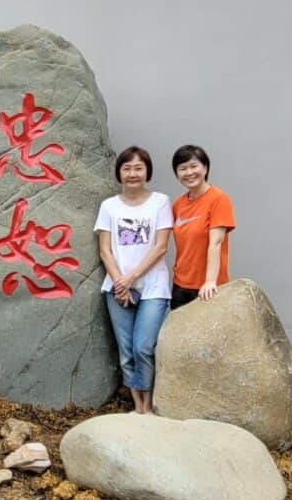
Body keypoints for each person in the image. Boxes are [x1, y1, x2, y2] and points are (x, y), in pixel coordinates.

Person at [94, 146, 172, 414]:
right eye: (126, 168)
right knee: (126, 350)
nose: (132, 174)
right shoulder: (109, 206)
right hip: (116, 287)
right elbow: (105, 248)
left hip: (152, 286)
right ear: (119, 173)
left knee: (143, 347)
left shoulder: (160, 202)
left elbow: (161, 246)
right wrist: (119, 282)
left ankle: (148, 405)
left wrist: (130, 278)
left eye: (138, 168)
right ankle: (138, 406)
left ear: (147, 171)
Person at [170, 144, 236, 310]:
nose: (189, 172)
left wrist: (210, 282)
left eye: (194, 166)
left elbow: (216, 242)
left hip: (208, 288)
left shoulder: (219, 199)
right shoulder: (178, 204)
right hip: (180, 285)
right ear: (177, 174)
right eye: (182, 168)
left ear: (205, 168)